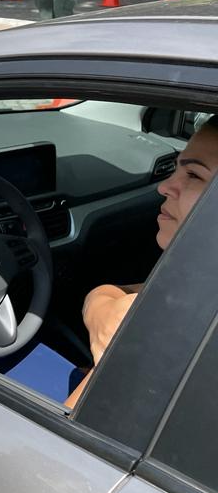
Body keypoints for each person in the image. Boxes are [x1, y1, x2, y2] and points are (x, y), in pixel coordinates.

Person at [65, 115, 218, 409]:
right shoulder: (196, 282)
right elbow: (118, 292)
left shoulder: (174, 328)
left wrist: (108, 316)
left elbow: (61, 438)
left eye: (195, 176)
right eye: (176, 168)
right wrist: (102, 313)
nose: (165, 187)